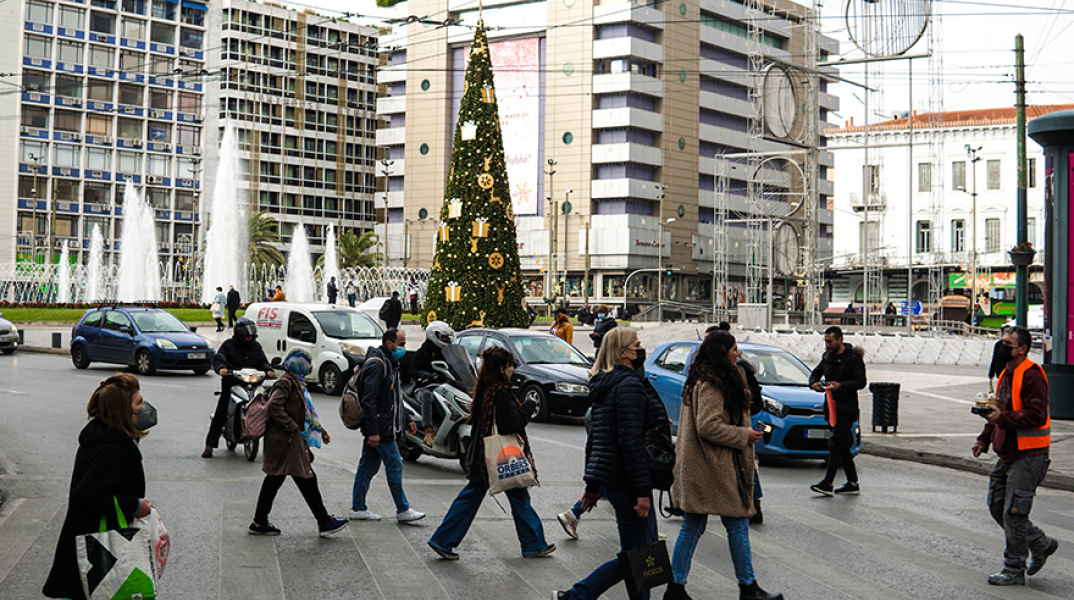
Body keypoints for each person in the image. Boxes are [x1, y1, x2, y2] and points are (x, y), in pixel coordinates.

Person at [665, 331, 782, 600]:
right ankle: (747, 587)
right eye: (734, 348)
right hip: (713, 467)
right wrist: (745, 435)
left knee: (695, 526)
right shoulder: (711, 384)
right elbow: (708, 426)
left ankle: (676, 587)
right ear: (722, 351)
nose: (737, 353)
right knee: (736, 524)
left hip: (705, 466)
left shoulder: (705, 378)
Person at [553, 327, 664, 600]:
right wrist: (641, 490)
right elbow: (629, 442)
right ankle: (577, 595)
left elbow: (596, 440)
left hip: (614, 478)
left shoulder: (608, 384)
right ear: (623, 352)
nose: (641, 350)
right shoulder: (627, 385)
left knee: (645, 552)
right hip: (628, 481)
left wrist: (592, 485)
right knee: (636, 556)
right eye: (637, 345)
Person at [428, 346, 555, 560]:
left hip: (482, 453)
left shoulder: (485, 388)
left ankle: (443, 540)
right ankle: (533, 544)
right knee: (517, 495)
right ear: (502, 368)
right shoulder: (501, 392)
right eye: (511, 365)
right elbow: (511, 423)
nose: (514, 369)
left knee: (476, 497)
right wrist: (528, 406)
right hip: (499, 456)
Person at [43, 374, 156, 600]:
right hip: (98, 548)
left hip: (86, 543)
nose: (145, 407)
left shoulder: (100, 436)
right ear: (122, 410)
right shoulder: (114, 448)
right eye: (138, 402)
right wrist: (133, 505)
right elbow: (88, 494)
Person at [973, 326, 1058, 586]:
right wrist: (985, 437)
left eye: (1008, 343)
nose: (1002, 347)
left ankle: (1013, 569)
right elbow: (998, 410)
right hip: (1008, 452)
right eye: (1001, 342)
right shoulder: (1007, 374)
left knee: (1014, 513)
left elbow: (1037, 415)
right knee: (997, 506)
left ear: (1022, 348)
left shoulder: (1031, 375)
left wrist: (1003, 419)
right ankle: (1040, 544)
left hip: (1029, 454)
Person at [249, 348, 348, 537]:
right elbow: (274, 406)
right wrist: (292, 427)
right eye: (308, 362)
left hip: (290, 440)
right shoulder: (286, 381)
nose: (310, 366)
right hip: (286, 440)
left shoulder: (297, 381)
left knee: (279, 479)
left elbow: (306, 413)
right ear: (298, 363)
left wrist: (321, 430)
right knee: (303, 478)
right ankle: (324, 521)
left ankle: (260, 521)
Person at [350, 329, 426, 523]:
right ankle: (403, 509)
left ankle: (358, 507)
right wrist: (374, 431)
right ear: (388, 343)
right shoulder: (378, 365)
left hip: (381, 426)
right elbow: (369, 400)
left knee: (367, 466)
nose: (403, 348)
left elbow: (395, 397)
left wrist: (406, 417)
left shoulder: (389, 363)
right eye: (400, 344)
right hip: (381, 429)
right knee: (394, 464)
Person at [203, 317, 275, 458]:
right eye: (247, 335)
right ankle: (209, 445)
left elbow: (263, 362)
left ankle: (273, 446)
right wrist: (222, 369)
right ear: (240, 333)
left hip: (253, 384)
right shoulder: (228, 345)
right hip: (233, 383)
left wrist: (268, 370)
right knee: (221, 412)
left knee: (268, 409)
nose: (250, 337)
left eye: (252, 334)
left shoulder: (256, 346)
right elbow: (219, 359)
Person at [808, 326, 867, 496]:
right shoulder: (827, 357)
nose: (827, 344)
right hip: (831, 408)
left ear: (840, 340)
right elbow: (816, 373)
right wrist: (814, 384)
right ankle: (853, 482)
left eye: (830, 341)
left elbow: (861, 382)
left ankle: (827, 483)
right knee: (842, 447)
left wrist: (841, 386)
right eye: (825, 341)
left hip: (847, 408)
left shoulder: (853, 358)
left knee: (834, 443)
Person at [413, 321, 459, 447]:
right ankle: (429, 431)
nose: (447, 340)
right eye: (444, 338)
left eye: (447, 338)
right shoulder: (423, 352)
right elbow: (414, 370)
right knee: (427, 396)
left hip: (442, 386)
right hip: (424, 387)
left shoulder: (448, 352)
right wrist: (426, 375)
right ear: (434, 336)